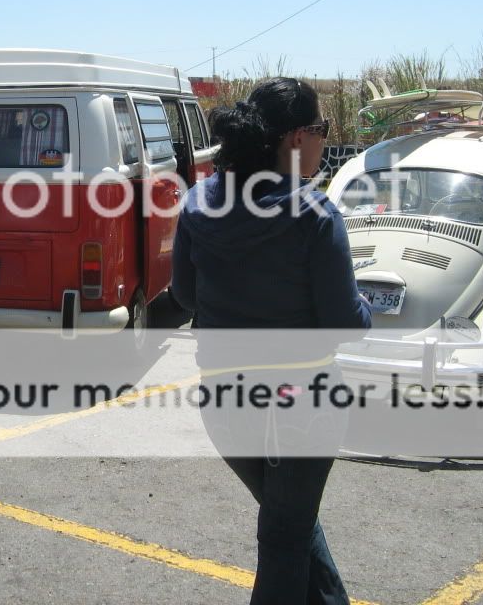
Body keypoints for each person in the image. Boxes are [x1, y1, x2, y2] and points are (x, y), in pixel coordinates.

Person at [171, 77, 371, 605]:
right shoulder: (314, 214)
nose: (325, 142)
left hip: (225, 401)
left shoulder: (197, 203)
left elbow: (186, 297)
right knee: (285, 537)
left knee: (292, 524)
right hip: (302, 402)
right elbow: (343, 324)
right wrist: (365, 302)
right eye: (322, 130)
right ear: (296, 138)